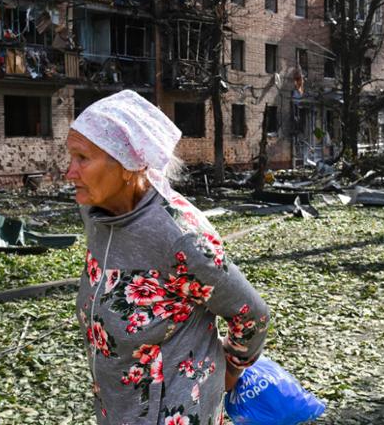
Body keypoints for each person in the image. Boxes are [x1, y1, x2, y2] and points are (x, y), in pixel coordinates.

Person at [67, 90, 270, 424]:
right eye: (70, 157)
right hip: (117, 404)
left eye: (82, 158)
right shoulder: (96, 213)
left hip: (174, 410)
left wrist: (231, 368)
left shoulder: (180, 236)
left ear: (127, 163)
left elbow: (252, 314)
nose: (69, 172)